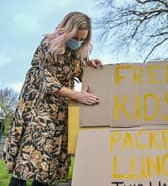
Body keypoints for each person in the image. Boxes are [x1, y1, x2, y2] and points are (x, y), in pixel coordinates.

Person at [3, 11, 102, 186]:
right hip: (38, 106)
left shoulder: (78, 51)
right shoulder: (47, 46)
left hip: (59, 109)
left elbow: (77, 72)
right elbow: (47, 82)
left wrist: (89, 65)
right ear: (67, 31)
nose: (78, 42)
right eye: (76, 37)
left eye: (82, 39)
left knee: (49, 158)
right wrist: (77, 95)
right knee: (30, 153)